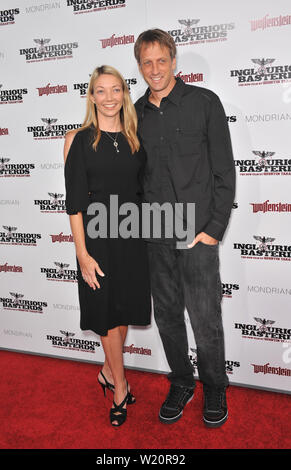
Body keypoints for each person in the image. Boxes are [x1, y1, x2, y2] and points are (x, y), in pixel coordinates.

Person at [134, 29, 235, 427]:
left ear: (174, 61)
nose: (155, 69)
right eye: (147, 62)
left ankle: (213, 386)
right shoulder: (134, 112)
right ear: (139, 66)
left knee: (205, 319)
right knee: (168, 317)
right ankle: (181, 381)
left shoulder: (204, 103)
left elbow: (224, 171)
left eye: (161, 60)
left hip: (197, 235)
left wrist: (213, 228)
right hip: (154, 236)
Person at [63, 65, 151, 427]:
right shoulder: (78, 139)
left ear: (124, 94)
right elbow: (74, 203)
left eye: (116, 89)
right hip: (97, 240)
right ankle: (119, 387)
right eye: (101, 90)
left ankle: (105, 370)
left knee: (124, 311)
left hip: (131, 237)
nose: (110, 97)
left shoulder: (135, 138)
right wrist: (82, 254)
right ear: (92, 96)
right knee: (107, 318)